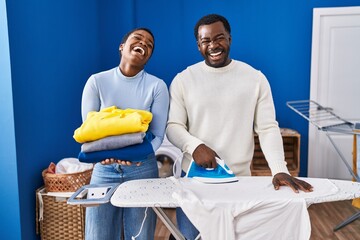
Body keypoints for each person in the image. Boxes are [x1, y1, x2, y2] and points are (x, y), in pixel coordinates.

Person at [166, 14, 313, 239]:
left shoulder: (255, 79)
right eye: (206, 41)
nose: (213, 45)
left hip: (240, 179)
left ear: (230, 39)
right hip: (195, 180)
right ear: (198, 45)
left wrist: (279, 168)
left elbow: (267, 128)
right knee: (189, 236)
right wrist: (195, 146)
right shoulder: (183, 80)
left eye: (219, 38)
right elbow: (174, 126)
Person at [81, 28, 169, 240]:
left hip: (142, 170)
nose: (144, 44)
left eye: (149, 45)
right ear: (122, 46)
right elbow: (90, 129)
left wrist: (136, 155)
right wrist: (106, 154)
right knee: (97, 235)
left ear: (149, 56)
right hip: (103, 170)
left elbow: (157, 135)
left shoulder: (157, 87)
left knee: (140, 236)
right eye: (138, 39)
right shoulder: (97, 81)